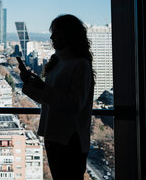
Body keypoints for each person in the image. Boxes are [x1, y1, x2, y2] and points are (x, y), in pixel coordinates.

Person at [18, 14, 94, 179]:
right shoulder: (57, 61)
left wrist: (43, 87)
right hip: (55, 135)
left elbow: (75, 103)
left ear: (70, 35)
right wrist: (32, 85)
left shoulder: (80, 65)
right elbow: (49, 98)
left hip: (70, 138)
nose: (52, 37)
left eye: (57, 32)